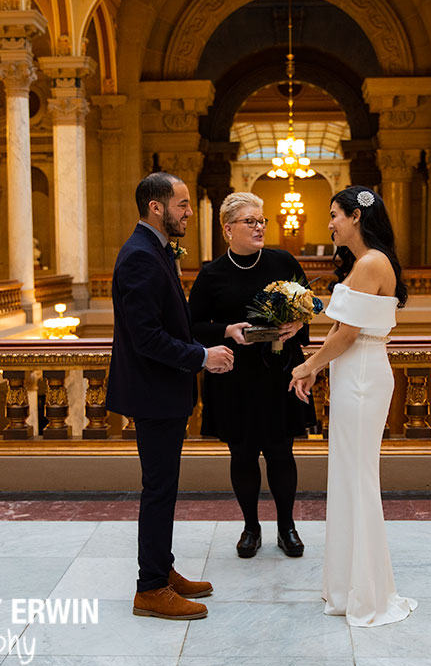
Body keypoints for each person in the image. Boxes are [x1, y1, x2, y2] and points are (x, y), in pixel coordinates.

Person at [107, 172, 235, 620]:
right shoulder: (140, 256)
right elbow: (146, 337)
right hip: (154, 391)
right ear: (156, 207)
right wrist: (201, 356)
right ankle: (151, 587)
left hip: (163, 390)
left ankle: (162, 568)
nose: (189, 211)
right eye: (182, 204)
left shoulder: (155, 250)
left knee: (163, 488)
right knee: (159, 489)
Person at [288, 185, 417, 628]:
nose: (330, 223)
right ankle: (350, 587)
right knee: (347, 476)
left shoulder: (371, 263)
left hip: (361, 374)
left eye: (334, 215)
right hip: (357, 370)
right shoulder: (365, 263)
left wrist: (307, 368)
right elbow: (344, 330)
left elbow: (345, 335)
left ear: (356, 217)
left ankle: (367, 592)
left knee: (357, 477)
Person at [189, 192, 315, 559]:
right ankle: (250, 527)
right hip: (234, 376)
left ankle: (287, 527)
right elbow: (192, 325)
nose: (260, 227)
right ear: (228, 229)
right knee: (242, 454)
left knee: (281, 452)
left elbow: (306, 313)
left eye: (262, 221)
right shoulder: (212, 275)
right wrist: (226, 330)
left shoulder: (283, 261)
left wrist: (295, 326)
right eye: (250, 221)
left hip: (279, 374)